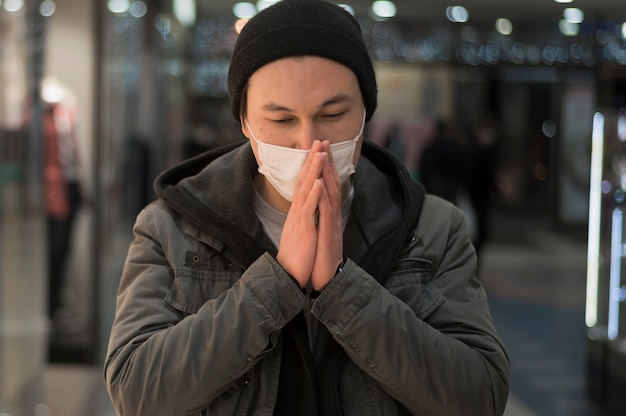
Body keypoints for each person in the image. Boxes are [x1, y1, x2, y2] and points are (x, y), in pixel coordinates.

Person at [104, 1, 510, 415]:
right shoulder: (171, 227)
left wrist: (342, 288)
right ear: (245, 122)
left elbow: (481, 396)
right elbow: (136, 394)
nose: (308, 142)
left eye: (333, 114)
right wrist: (276, 284)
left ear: (365, 112)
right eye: (280, 120)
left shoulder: (434, 228)